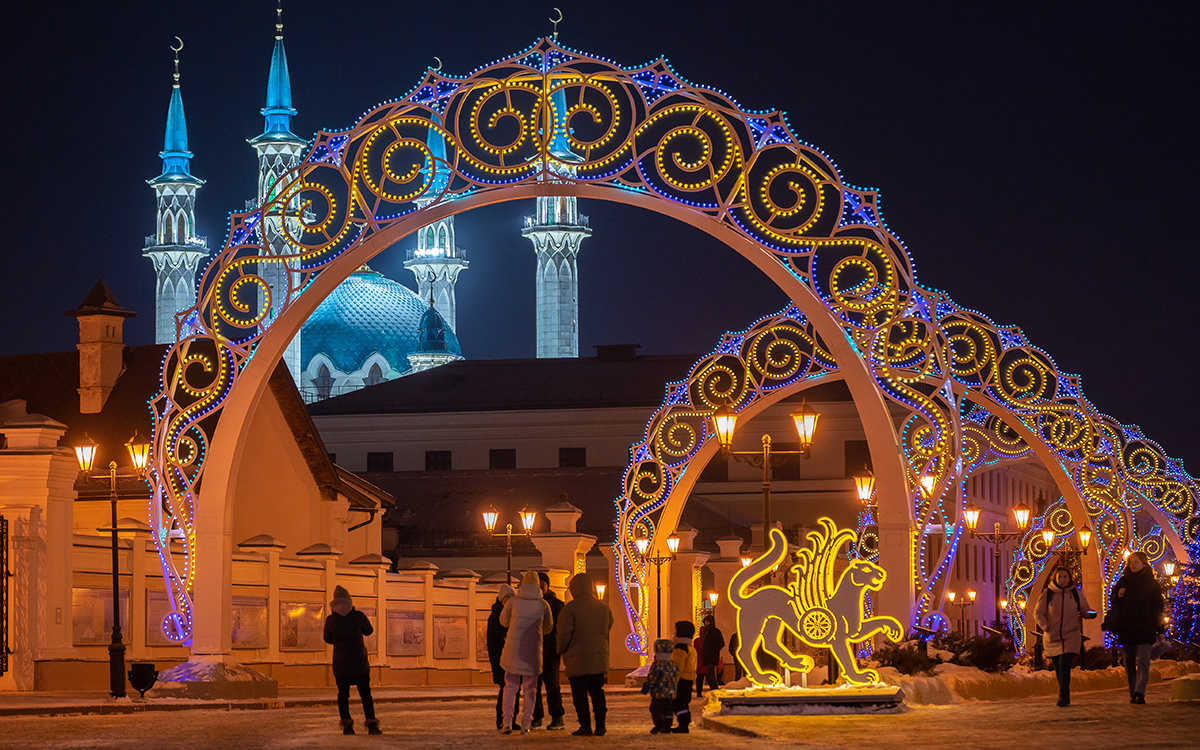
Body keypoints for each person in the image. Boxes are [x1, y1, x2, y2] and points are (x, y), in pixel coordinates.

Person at [557, 573, 614, 737]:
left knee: (580, 695)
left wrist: (560, 649)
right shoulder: (603, 607)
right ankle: (601, 725)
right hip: (598, 658)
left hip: (577, 659)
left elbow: (564, 633)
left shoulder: (570, 608)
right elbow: (609, 625)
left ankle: (585, 726)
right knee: (597, 692)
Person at [500, 570, 554, 733]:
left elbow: (503, 621)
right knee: (531, 689)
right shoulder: (543, 605)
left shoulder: (513, 602)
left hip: (513, 651)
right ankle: (526, 724)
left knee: (510, 686)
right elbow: (548, 628)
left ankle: (507, 721)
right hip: (532, 653)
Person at [323, 585, 381, 735]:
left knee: (343, 695)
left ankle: (347, 726)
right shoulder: (358, 616)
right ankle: (372, 725)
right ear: (349, 600)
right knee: (365, 694)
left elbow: (327, 639)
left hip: (341, 664)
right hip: (359, 663)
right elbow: (369, 631)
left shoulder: (331, 619)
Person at [1034, 566, 1095, 707]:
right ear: (1055, 578)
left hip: (1071, 636)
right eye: (1060, 577)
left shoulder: (1075, 593)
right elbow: (1038, 612)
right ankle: (1063, 691)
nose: (1062, 580)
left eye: (1065, 577)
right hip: (1052, 637)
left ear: (1069, 579)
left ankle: (1064, 695)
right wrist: (1045, 625)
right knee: (1058, 668)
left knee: (1064, 665)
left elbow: (1084, 608)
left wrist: (1090, 614)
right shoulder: (1047, 594)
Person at [1109, 551, 1164, 704]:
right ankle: (1133, 690)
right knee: (1129, 661)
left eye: (1136, 562)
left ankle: (1140, 691)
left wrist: (1160, 629)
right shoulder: (1123, 581)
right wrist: (1118, 595)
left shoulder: (1152, 584)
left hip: (1146, 627)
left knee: (1144, 660)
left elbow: (1157, 608)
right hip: (1127, 627)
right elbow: (1114, 601)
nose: (1132, 565)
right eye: (1130, 562)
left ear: (1144, 564)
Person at [532, 572, 566, 730]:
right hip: (534, 650)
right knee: (534, 685)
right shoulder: (532, 603)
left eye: (542, 583)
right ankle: (537, 716)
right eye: (537, 583)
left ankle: (557, 717)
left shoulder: (555, 604)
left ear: (547, 585)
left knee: (552, 685)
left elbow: (561, 628)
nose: (539, 586)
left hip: (551, 651)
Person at [486, 585, 519, 730]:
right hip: (502, 661)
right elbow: (493, 643)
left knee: (513, 690)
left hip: (511, 660)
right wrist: (497, 663)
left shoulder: (510, 614)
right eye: (508, 598)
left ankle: (511, 719)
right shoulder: (497, 616)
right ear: (503, 599)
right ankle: (503, 720)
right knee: (506, 690)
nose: (510, 601)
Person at [643, 639, 680, 734]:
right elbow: (676, 677)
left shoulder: (658, 664)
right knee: (668, 709)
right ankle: (667, 725)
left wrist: (647, 686)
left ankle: (659, 724)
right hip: (670, 692)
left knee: (656, 708)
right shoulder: (673, 664)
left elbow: (653, 676)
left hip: (659, 692)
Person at [671, 620, 698, 733]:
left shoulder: (680, 648)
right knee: (684, 702)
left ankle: (683, 724)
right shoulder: (691, 648)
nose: (674, 632)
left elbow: (677, 667)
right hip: (688, 679)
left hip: (680, 681)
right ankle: (684, 723)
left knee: (678, 703)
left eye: (675, 630)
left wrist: (673, 680)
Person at [700, 614, 726, 692]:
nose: (706, 623)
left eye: (707, 621)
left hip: (711, 655)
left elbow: (721, 643)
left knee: (709, 674)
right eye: (705, 621)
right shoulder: (705, 631)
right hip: (706, 655)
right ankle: (713, 688)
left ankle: (714, 689)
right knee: (709, 674)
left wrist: (714, 649)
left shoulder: (715, 631)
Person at [693, 622, 707, 697]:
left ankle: (699, 692)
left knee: (699, 678)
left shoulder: (696, 641)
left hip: (699, 661)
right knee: (709, 677)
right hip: (706, 661)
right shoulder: (707, 641)